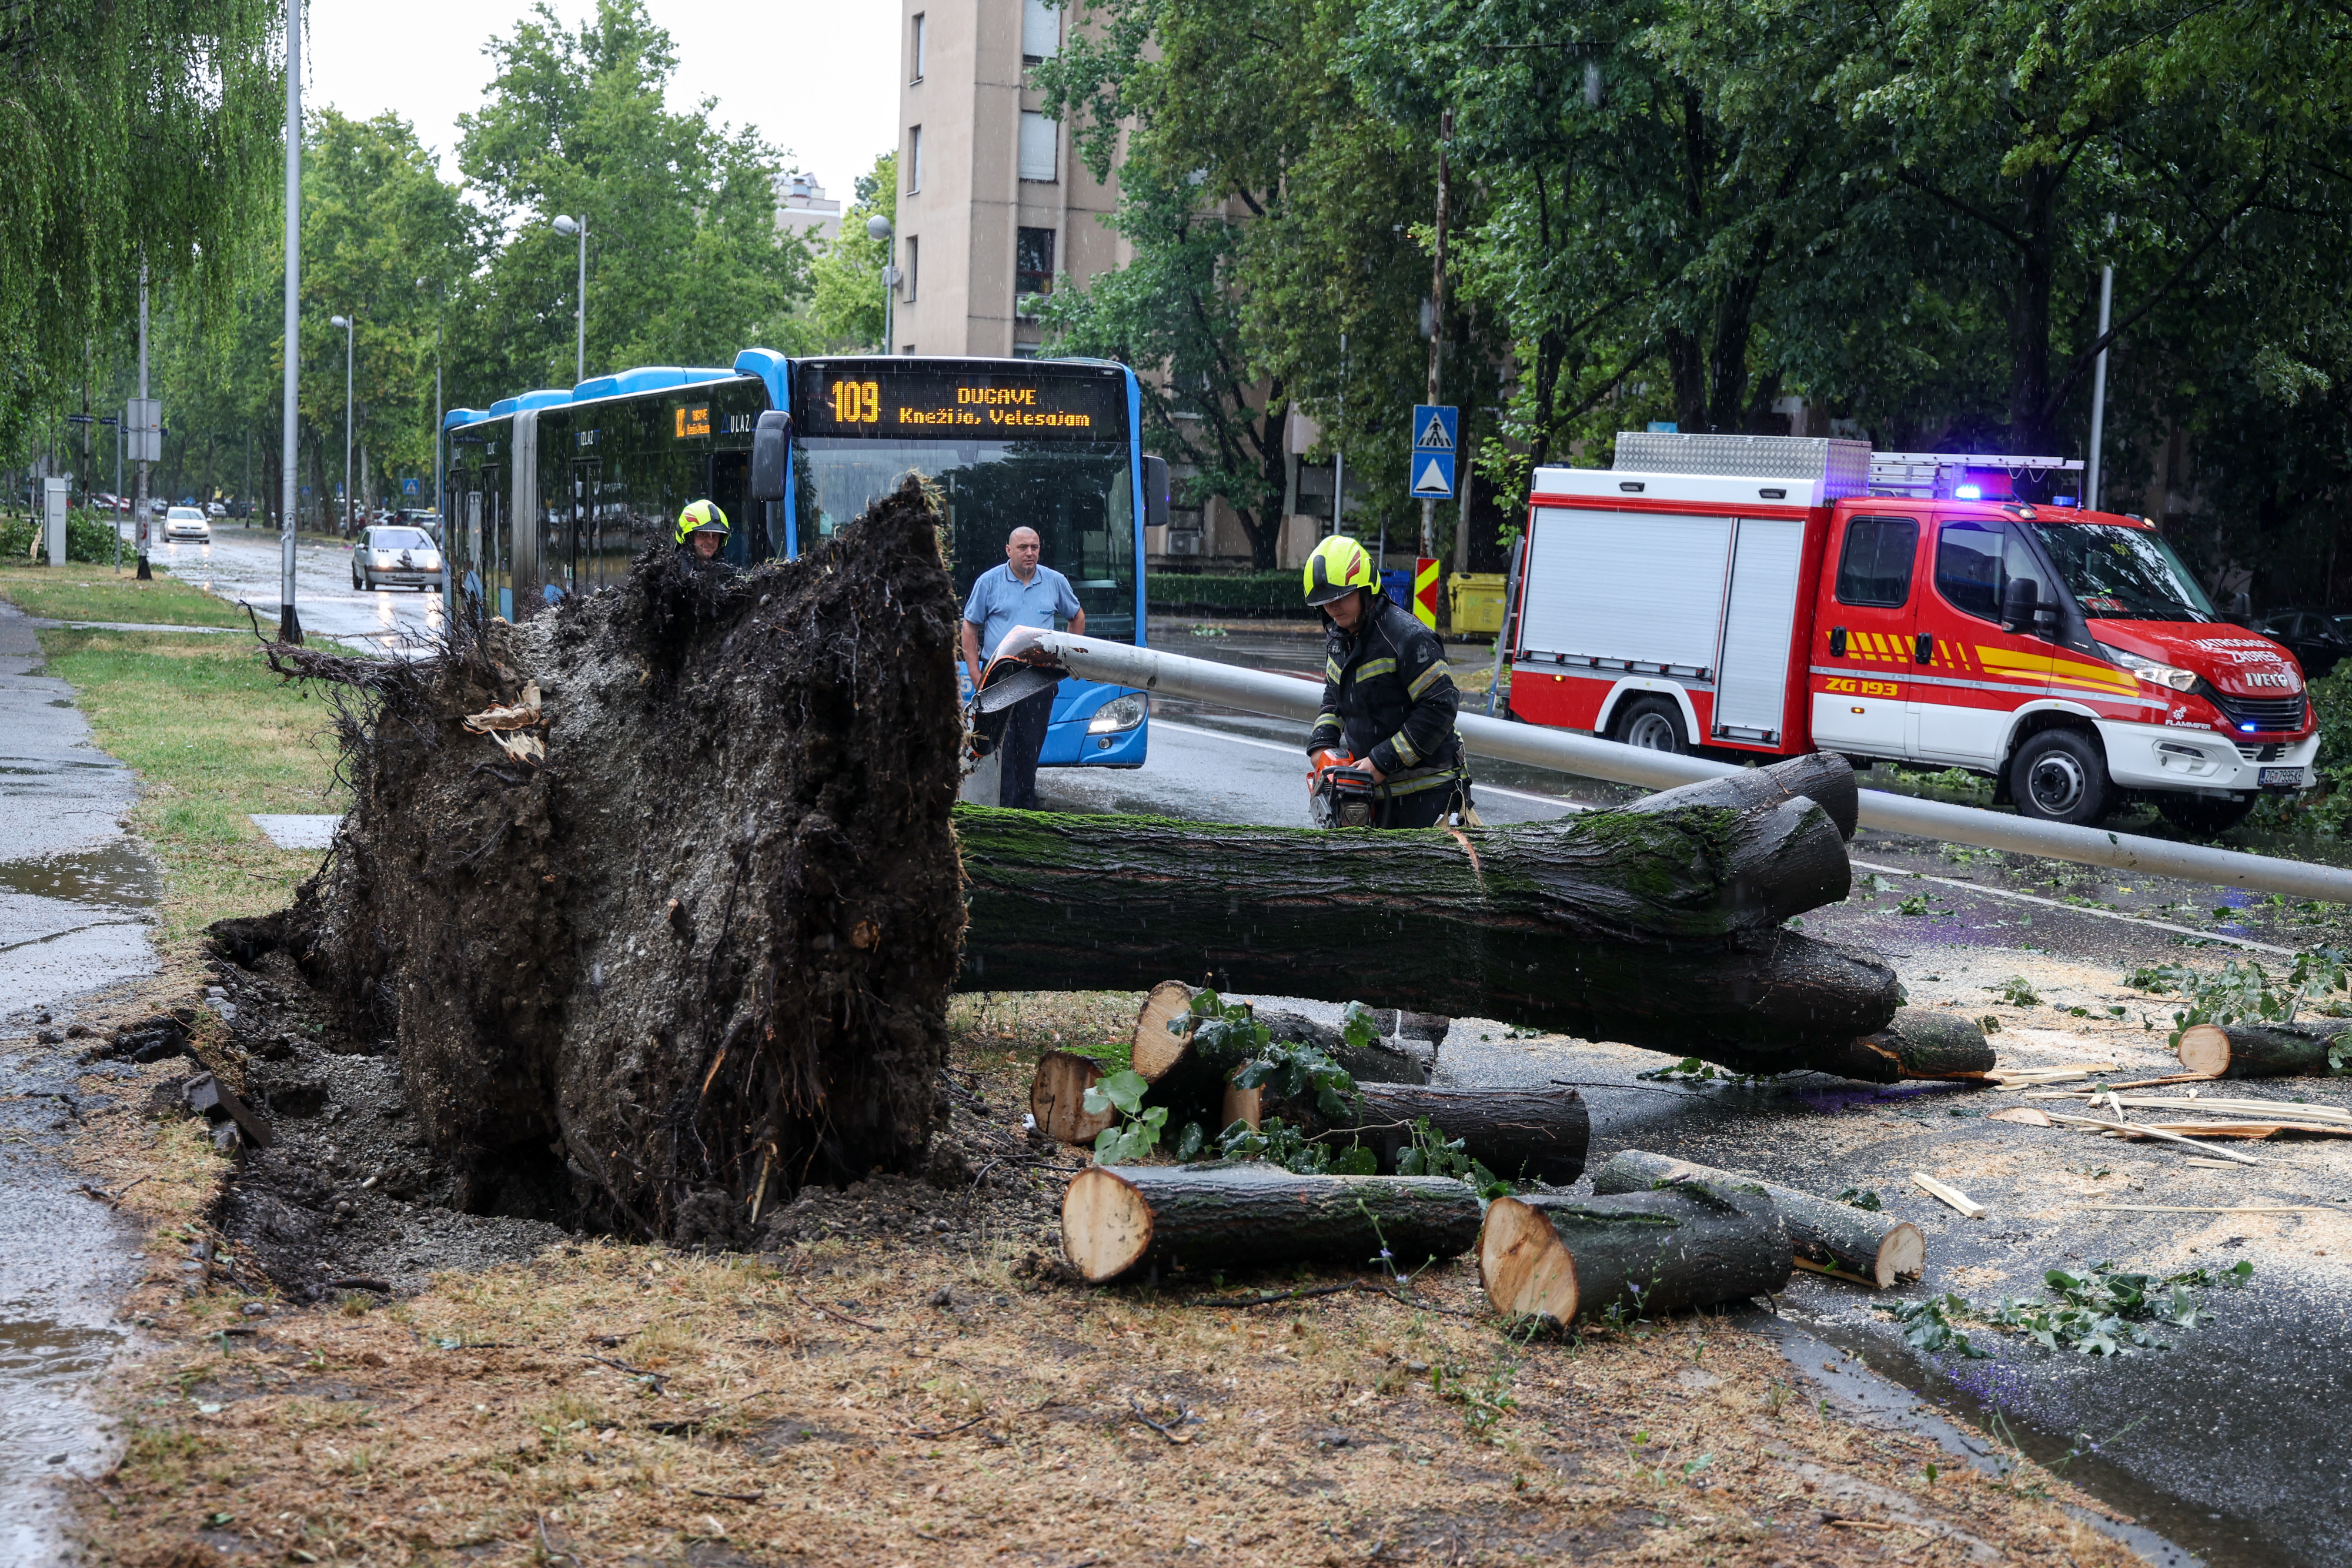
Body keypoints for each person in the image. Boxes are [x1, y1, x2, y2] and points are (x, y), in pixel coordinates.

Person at [1301, 534, 1472, 828]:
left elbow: (1439, 708)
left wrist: (1381, 762)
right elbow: (1334, 694)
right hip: (1371, 792)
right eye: (1325, 601)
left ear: (1366, 589)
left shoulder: (1408, 637)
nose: (1333, 608)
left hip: (1429, 794)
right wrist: (1322, 746)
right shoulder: (1339, 638)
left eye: (1341, 597)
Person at [961, 526, 1085, 809]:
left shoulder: (1055, 582)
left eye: (1035, 547)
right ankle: (999, 817)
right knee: (997, 753)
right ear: (1009, 550)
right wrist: (974, 673)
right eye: (1023, 548)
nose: (1030, 553)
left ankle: (1024, 817)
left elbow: (1076, 617)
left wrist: (1066, 661)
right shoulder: (989, 582)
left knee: (1029, 754)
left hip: (1037, 680)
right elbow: (969, 626)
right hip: (998, 680)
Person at [675, 499, 737, 575]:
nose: (710, 541)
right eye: (704, 535)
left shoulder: (724, 573)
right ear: (689, 538)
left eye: (715, 536)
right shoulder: (674, 574)